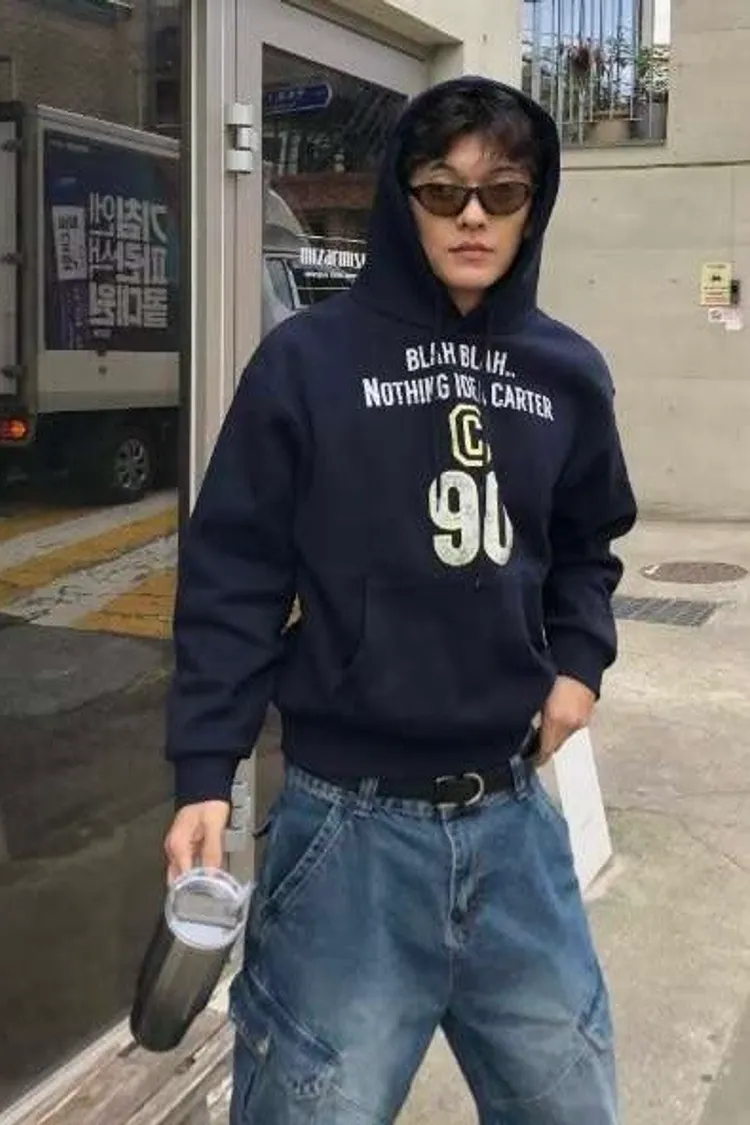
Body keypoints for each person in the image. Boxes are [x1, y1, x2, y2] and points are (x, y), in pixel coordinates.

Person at [164, 77, 636, 1124]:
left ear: (533, 205)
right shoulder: (307, 363)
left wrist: (579, 663)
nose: (472, 216)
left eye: (501, 193)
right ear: (402, 198)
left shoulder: (567, 372)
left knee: (572, 1105)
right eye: (441, 189)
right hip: (349, 829)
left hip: (514, 822)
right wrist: (205, 768)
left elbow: (587, 543)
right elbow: (235, 571)